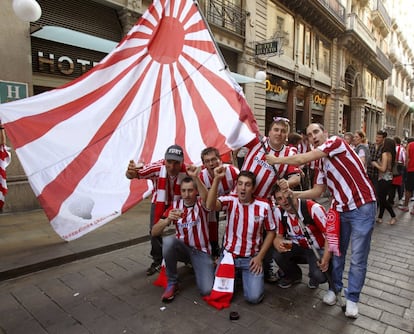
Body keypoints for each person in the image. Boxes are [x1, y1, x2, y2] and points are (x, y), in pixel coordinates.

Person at [266, 123, 376, 319]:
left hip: (362, 206)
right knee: (337, 251)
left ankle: (352, 298)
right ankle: (335, 289)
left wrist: (276, 159)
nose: (313, 136)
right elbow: (318, 191)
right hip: (340, 209)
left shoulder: (335, 142)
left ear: (325, 133)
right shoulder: (320, 164)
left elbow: (301, 158)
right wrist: (293, 194)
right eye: (309, 135)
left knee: (358, 257)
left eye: (316, 132)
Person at [241, 117, 301, 282]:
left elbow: (296, 176)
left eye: (283, 131)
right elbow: (235, 141)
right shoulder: (257, 141)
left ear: (286, 135)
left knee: (264, 236)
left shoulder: (290, 153)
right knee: (237, 229)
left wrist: (287, 182)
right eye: (276, 129)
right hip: (242, 197)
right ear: (269, 131)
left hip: (264, 203)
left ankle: (265, 269)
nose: (279, 133)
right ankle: (234, 265)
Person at [206, 168, 276, 304]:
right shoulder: (230, 200)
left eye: (247, 184)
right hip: (229, 257)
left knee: (253, 298)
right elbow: (210, 205)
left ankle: (241, 276)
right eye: (240, 184)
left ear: (253, 188)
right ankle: (233, 273)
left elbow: (271, 231)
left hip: (250, 259)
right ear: (236, 185)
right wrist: (216, 179)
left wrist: (260, 257)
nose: (242, 188)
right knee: (215, 292)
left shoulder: (263, 206)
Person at [151, 173, 215, 302]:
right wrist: (167, 220)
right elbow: (154, 232)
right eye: (184, 191)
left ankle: (203, 265)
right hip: (184, 249)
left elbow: (208, 199)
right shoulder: (175, 206)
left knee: (207, 290)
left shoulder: (201, 203)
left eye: (190, 190)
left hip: (201, 251)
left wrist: (196, 177)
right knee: (168, 241)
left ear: (196, 191)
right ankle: (172, 282)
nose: (187, 194)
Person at [125, 145, 187, 276]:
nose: (172, 166)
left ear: (182, 162)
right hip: (159, 201)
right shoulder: (157, 168)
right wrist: (130, 172)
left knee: (186, 228)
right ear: (164, 160)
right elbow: (134, 174)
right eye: (169, 162)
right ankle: (158, 260)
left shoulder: (187, 170)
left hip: (179, 202)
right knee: (154, 231)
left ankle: (188, 256)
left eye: (176, 163)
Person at [271, 183, 331, 289]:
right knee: (276, 253)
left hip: (316, 249)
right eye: (280, 199)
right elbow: (278, 236)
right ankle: (294, 275)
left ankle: (314, 275)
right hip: (295, 246)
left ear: (293, 193)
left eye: (287, 196)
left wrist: (326, 257)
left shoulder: (313, 208)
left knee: (320, 276)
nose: (284, 201)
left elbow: (329, 236)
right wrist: (278, 244)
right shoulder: (278, 211)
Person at [199, 147, 239, 258]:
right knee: (209, 217)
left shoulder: (232, 171)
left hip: (232, 200)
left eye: (213, 159)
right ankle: (213, 247)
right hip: (213, 203)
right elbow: (205, 201)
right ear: (204, 164)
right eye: (207, 161)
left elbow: (240, 193)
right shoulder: (202, 177)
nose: (211, 163)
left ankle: (231, 246)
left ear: (220, 159)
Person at [371, 138, 397, 225]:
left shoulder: (385, 154)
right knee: (382, 199)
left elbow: (383, 169)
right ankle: (380, 217)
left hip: (383, 179)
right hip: (388, 179)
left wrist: (375, 164)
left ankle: (393, 216)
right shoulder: (391, 154)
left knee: (382, 199)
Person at [368, 130, 387, 197]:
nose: (377, 139)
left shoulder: (384, 148)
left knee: (376, 192)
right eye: (376, 137)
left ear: (383, 138)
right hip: (369, 172)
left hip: (378, 174)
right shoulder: (371, 146)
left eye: (379, 137)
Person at [399, 137, 414, 215]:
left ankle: (406, 206)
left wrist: (407, 167)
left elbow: (407, 158)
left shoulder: (410, 145)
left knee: (408, 189)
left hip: (411, 170)